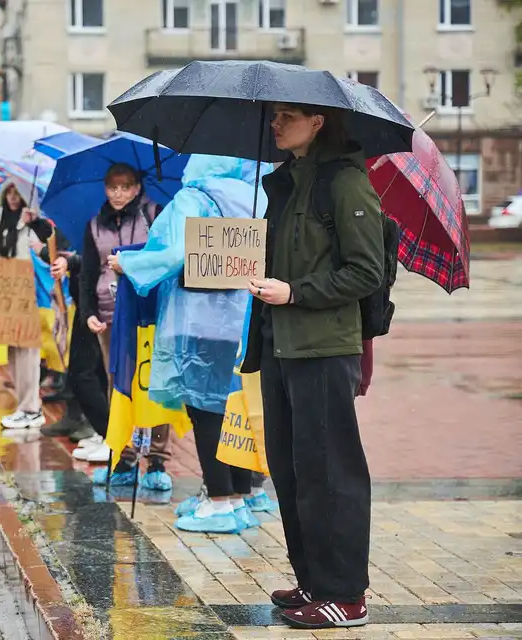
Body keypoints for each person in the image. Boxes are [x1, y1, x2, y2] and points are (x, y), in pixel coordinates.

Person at [240, 103, 385, 630]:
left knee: (331, 473)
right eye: (274, 116)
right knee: (292, 469)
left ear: (318, 121)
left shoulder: (344, 183)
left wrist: (295, 291)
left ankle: (346, 596)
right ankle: (313, 580)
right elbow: (281, 262)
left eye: (287, 115)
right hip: (279, 345)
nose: (275, 124)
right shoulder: (284, 184)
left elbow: (366, 271)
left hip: (324, 349)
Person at [113, 155, 272, 528]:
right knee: (228, 406)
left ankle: (218, 500)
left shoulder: (194, 197)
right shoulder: (255, 198)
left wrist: (129, 264)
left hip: (197, 317)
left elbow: (174, 255)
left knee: (204, 411)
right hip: (239, 318)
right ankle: (236, 496)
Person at [78, 163, 171, 491]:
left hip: (149, 314)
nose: (118, 193)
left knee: (153, 384)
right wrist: (87, 312)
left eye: (125, 186)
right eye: (112, 187)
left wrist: (130, 263)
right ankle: (124, 457)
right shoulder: (94, 225)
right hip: (110, 316)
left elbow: (166, 259)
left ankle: (158, 460)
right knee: (117, 386)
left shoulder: (154, 215)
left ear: (136, 188)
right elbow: (87, 274)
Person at [0, 183, 52, 430]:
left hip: (25, 291)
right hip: (3, 292)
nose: (12, 198)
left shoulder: (31, 221)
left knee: (28, 350)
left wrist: (35, 223)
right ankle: (24, 405)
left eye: (17, 193)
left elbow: (47, 246)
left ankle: (32, 407)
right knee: (11, 348)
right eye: (9, 193)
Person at [38, 224, 109, 453]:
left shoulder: (108, 221)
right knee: (83, 371)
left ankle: (109, 435)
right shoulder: (78, 218)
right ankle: (104, 432)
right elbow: (50, 250)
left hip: (105, 304)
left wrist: (71, 262)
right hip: (84, 302)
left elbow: (102, 257)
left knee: (94, 373)